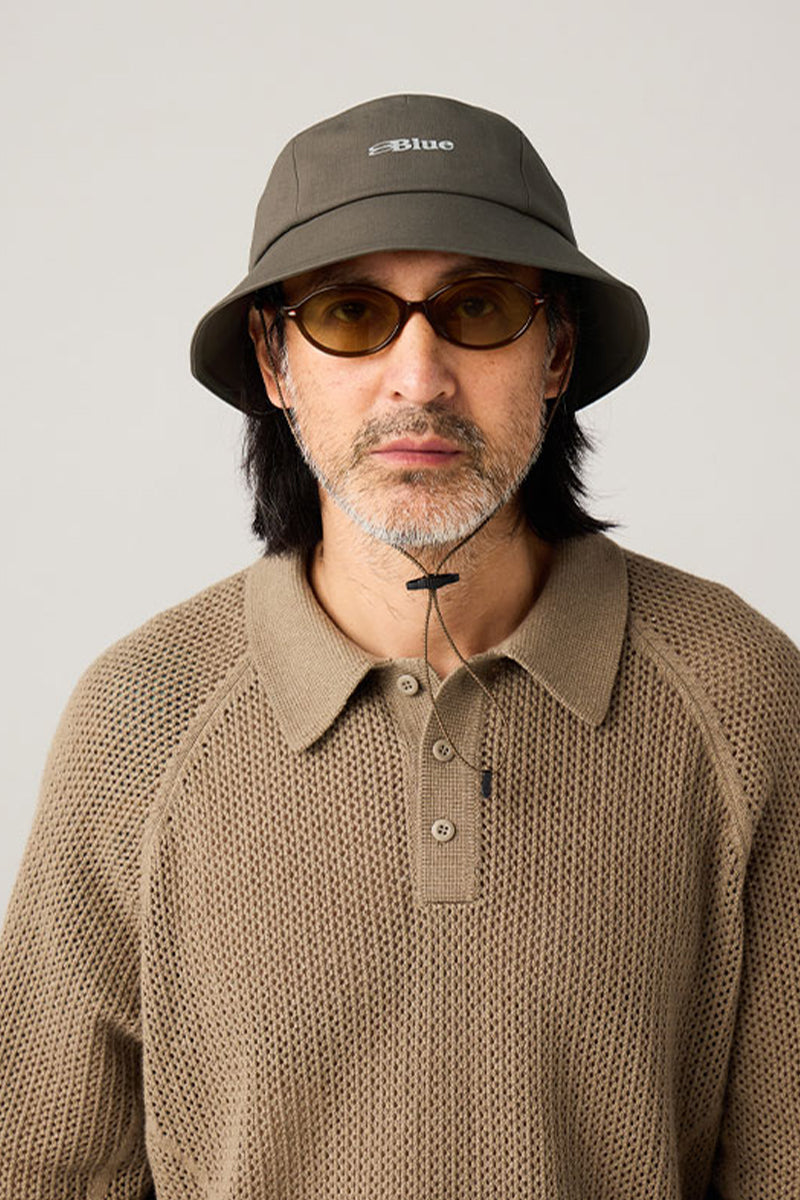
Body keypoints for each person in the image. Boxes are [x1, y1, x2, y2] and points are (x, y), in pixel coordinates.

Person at [0, 93, 797, 1200]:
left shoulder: (743, 697)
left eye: (477, 308)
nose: (418, 378)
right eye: (349, 313)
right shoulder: (138, 721)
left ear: (557, 351)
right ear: (273, 361)